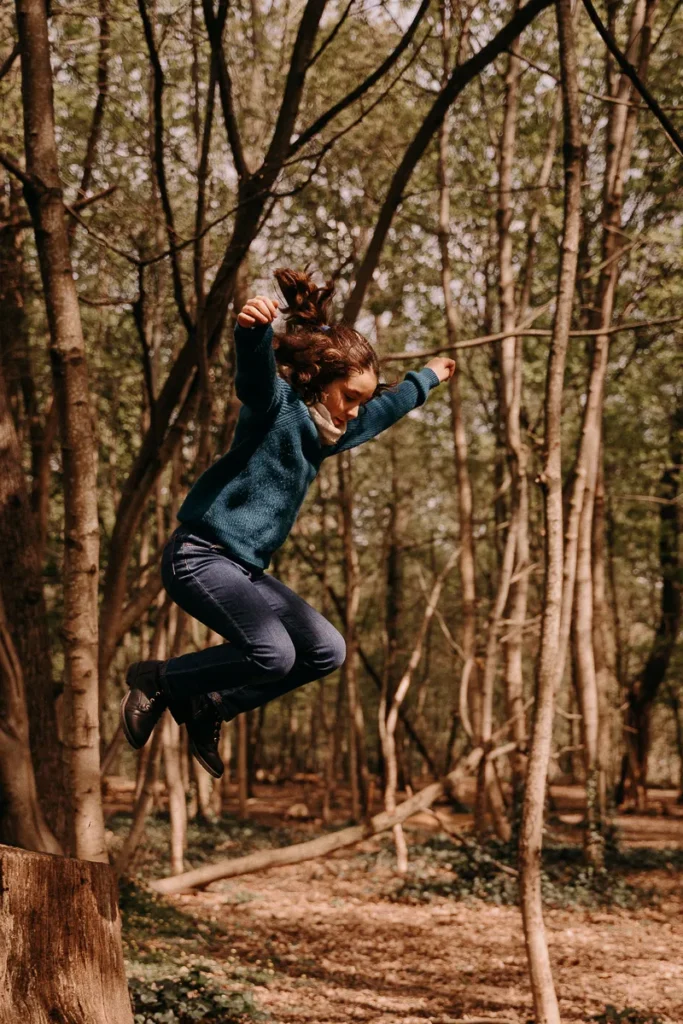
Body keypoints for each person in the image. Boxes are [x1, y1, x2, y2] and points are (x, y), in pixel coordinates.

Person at [120, 268, 455, 777]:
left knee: (326, 650)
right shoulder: (277, 406)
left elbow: (385, 408)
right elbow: (253, 376)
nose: (353, 413)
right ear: (320, 381)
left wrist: (426, 377)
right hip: (199, 555)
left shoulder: (330, 431)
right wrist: (252, 331)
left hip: (245, 571)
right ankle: (160, 679)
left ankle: (213, 704)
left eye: (359, 402)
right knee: (273, 653)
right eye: (349, 397)